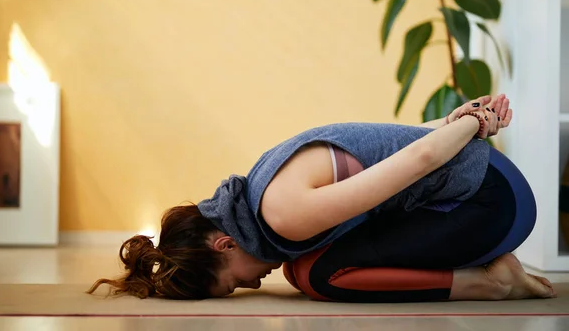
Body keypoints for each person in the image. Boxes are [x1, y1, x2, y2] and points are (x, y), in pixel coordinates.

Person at [87, 94, 557, 302]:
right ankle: (489, 268)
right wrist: (459, 120)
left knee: (322, 276)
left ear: (224, 246)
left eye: (232, 284)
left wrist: (475, 122)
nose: (252, 287)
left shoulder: (283, 213)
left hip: (492, 202)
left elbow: (417, 161)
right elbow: (394, 146)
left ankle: (493, 284)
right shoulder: (259, 190)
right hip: (470, 188)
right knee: (303, 268)